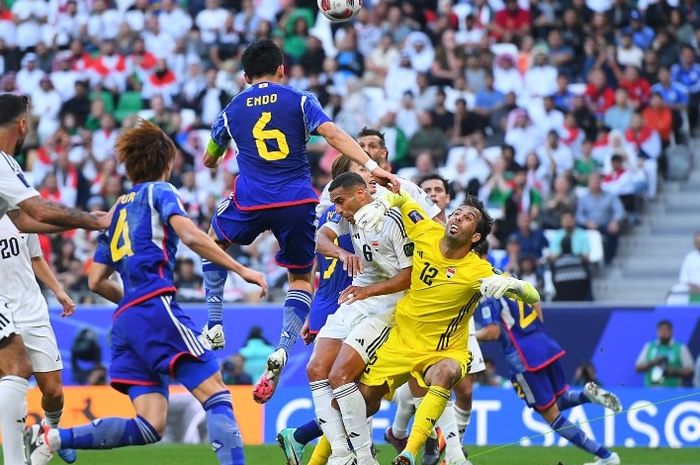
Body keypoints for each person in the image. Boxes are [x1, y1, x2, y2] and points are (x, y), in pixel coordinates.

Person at [24, 119, 268, 465]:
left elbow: (94, 280)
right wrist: (242, 269)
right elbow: (191, 236)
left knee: (151, 424)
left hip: (125, 320)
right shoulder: (160, 192)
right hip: (155, 306)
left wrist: (132, 306)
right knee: (217, 396)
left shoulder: (117, 209)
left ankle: (55, 436)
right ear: (167, 162)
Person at [198, 40, 396, 405]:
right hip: (297, 201)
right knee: (301, 278)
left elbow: (210, 159)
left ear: (244, 76)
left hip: (251, 200)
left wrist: (224, 146)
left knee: (211, 241)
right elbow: (333, 135)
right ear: (281, 70)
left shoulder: (231, 109)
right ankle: (283, 347)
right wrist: (372, 166)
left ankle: (213, 323)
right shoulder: (300, 99)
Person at [344, 189, 540, 465]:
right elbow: (404, 201)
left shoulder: (478, 270)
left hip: (444, 350)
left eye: (468, 217)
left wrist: (513, 285)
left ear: (475, 237)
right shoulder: (425, 230)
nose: (458, 216)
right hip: (402, 343)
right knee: (360, 401)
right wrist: (385, 202)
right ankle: (315, 450)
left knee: (447, 373)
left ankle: (410, 453)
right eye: (457, 212)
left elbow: (533, 295)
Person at [0, 93, 109, 465]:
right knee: (14, 363)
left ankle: (42, 436)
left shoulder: (9, 165)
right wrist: (93, 221)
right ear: (22, 124)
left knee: (50, 388)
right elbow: (37, 208)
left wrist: (80, 221)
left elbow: (25, 221)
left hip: (27, 301)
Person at [310, 172, 414, 465]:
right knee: (316, 369)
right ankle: (342, 455)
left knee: (340, 376)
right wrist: (342, 253)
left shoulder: (392, 219)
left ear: (360, 194)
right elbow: (319, 238)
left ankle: (365, 458)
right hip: (359, 295)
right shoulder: (348, 215)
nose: (338, 209)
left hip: (389, 303)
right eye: (335, 204)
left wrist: (368, 291)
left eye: (341, 202)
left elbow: (408, 277)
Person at [496, 297, 622, 465]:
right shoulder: (512, 279)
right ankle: (585, 396)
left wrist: (470, 336)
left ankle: (606, 456)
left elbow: (492, 331)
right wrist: (536, 331)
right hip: (544, 344)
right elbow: (536, 301)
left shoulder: (488, 290)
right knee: (557, 401)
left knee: (550, 415)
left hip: (524, 358)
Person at [0, 215, 78, 463]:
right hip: (3, 309)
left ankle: (47, 431)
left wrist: (58, 290)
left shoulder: (18, 215)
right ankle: (16, 459)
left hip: (32, 309)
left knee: (54, 391)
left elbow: (35, 258)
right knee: (13, 374)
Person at [635, 320, 694, 387]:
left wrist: (673, 371)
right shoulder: (649, 346)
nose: (663, 333)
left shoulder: (680, 348)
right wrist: (652, 363)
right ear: (657, 332)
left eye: (666, 330)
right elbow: (638, 367)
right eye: (661, 330)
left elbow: (690, 371)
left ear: (671, 331)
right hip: (651, 390)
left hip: (673, 390)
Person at [678, 231, 700, 303]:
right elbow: (683, 277)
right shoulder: (690, 257)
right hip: (692, 291)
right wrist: (692, 286)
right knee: (676, 290)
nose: (698, 244)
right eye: (696, 242)